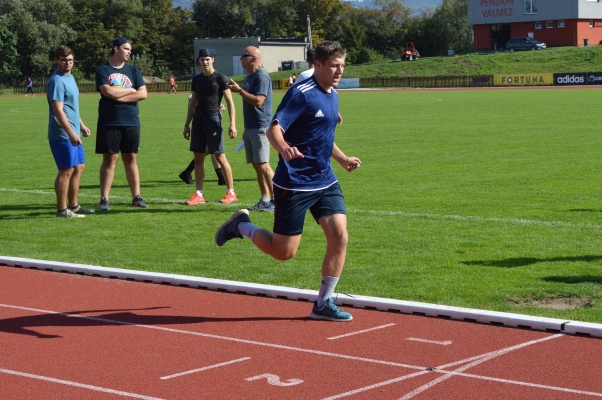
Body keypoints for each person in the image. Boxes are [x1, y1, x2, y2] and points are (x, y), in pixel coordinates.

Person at [215, 41, 361, 322]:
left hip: (324, 180)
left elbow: (322, 135)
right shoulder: (302, 94)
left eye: (342, 65)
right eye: (334, 65)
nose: (339, 70)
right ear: (317, 65)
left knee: (339, 235)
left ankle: (323, 302)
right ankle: (241, 226)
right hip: (294, 183)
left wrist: (341, 159)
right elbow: (274, 128)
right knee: (284, 252)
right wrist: (284, 149)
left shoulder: (332, 94)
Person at [95, 37, 148, 211]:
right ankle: (104, 199)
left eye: (130, 49)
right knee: (110, 159)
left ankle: (136, 196)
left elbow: (142, 94)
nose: (129, 51)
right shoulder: (103, 69)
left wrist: (118, 95)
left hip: (131, 121)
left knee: (131, 158)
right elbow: (107, 91)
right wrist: (130, 90)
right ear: (116, 49)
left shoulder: (133, 71)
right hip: (109, 121)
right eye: (126, 48)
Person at [183, 48, 237, 205]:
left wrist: (232, 123)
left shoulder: (220, 78)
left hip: (214, 118)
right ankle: (199, 194)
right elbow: (192, 104)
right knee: (198, 157)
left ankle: (231, 192)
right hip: (198, 119)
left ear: (212, 59)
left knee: (220, 156)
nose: (205, 62)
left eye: (207, 59)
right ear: (199, 61)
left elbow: (229, 101)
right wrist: (187, 124)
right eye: (202, 59)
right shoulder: (196, 79)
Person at [47, 45, 94, 218]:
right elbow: (58, 110)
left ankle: (73, 205)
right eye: (64, 60)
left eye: (70, 60)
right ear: (56, 60)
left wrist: (81, 125)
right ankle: (62, 209)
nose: (67, 63)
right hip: (62, 133)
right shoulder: (57, 80)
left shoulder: (70, 77)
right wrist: (71, 133)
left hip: (73, 131)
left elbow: (71, 107)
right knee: (66, 169)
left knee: (79, 167)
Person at [227, 46, 274, 212]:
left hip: (261, 126)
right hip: (251, 127)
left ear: (254, 58)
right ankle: (265, 199)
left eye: (244, 55)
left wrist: (239, 90)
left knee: (264, 165)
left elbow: (259, 101)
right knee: (256, 164)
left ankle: (277, 201)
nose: (241, 58)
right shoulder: (249, 77)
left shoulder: (261, 77)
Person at [179, 93, 226, 186]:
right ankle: (221, 178)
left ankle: (187, 172)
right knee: (213, 149)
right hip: (203, 120)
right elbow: (191, 103)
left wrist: (217, 106)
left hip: (211, 118)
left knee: (213, 149)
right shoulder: (198, 81)